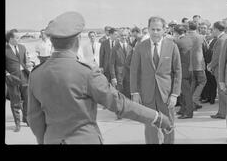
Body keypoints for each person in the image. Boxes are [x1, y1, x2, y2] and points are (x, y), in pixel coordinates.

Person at [27, 12, 174, 144]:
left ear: (52, 41)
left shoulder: (36, 74)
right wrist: (157, 118)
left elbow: (34, 118)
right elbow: (120, 105)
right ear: (77, 39)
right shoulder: (86, 73)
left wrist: (46, 140)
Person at [130, 16, 182, 144]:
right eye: (152, 29)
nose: (155, 32)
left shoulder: (172, 46)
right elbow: (134, 71)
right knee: (150, 127)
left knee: (168, 126)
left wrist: (175, 94)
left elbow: (178, 71)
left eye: (158, 29)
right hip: (147, 95)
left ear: (164, 30)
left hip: (166, 95)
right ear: (148, 29)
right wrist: (135, 93)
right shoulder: (140, 47)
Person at [6, 29, 30, 132]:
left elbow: (25, 61)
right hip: (13, 78)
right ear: (11, 39)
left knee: (27, 99)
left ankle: (27, 119)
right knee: (15, 101)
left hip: (24, 76)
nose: (19, 39)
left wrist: (29, 65)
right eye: (17, 37)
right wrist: (7, 74)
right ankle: (17, 123)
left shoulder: (22, 47)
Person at [110, 28, 133, 118]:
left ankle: (127, 112)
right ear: (119, 37)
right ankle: (119, 113)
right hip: (118, 75)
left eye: (125, 35)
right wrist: (113, 77)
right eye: (122, 35)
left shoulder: (130, 48)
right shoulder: (115, 48)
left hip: (128, 75)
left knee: (128, 93)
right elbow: (111, 63)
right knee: (119, 94)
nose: (123, 37)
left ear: (128, 36)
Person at [207, 21, 227, 119]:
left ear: (216, 29)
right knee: (222, 92)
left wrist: (210, 65)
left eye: (212, 29)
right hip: (222, 69)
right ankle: (222, 112)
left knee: (222, 92)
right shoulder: (224, 38)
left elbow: (217, 57)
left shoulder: (221, 40)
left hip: (220, 70)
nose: (212, 31)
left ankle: (225, 113)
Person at [174, 25, 194, 119]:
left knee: (185, 92)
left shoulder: (177, 41)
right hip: (189, 68)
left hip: (182, 69)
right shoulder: (189, 39)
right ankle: (183, 110)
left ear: (177, 33)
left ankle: (188, 112)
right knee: (185, 91)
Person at [187, 21, 207, 111]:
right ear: (197, 27)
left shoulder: (185, 37)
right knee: (203, 81)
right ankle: (194, 100)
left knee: (192, 83)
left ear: (188, 27)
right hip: (199, 64)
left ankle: (192, 103)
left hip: (188, 64)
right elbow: (206, 49)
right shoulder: (201, 37)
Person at [200, 27, 217, 104]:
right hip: (206, 64)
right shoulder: (206, 41)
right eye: (206, 33)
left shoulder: (216, 41)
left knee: (213, 82)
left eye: (209, 33)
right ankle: (208, 97)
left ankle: (212, 98)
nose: (207, 35)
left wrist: (211, 64)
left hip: (212, 65)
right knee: (208, 82)